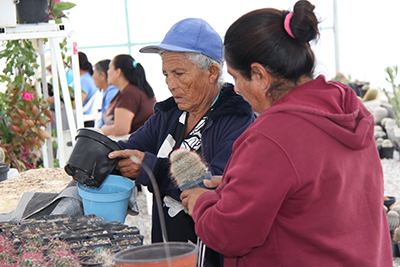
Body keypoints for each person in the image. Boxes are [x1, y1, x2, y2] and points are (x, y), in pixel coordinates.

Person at [181, 1, 393, 266]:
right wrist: (237, 185)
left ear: (259, 75)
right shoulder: (348, 110)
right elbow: (312, 192)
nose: (235, 89)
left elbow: (228, 233)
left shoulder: (271, 137)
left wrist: (202, 201)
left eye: (236, 78)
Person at [108, 18, 256, 267]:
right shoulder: (170, 114)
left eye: (179, 73)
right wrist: (104, 153)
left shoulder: (236, 118)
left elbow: (215, 183)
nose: (170, 84)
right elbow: (132, 148)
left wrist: (153, 168)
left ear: (211, 72)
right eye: (166, 74)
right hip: (167, 248)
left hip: (210, 255)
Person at [100, 54, 156, 136]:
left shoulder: (130, 93)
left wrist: (102, 130)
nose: (107, 72)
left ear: (118, 72)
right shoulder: (127, 91)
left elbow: (120, 130)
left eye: (109, 68)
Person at [92, 59, 119, 128]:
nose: (92, 77)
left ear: (102, 76)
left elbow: (110, 120)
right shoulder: (107, 91)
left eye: (94, 73)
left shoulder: (113, 92)